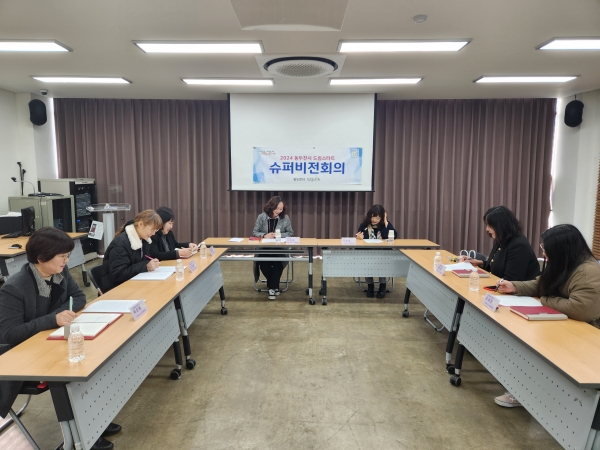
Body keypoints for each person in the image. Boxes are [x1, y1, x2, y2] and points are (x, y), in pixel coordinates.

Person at [0, 227, 121, 450]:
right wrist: (53, 319)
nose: (67, 260)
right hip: (22, 355)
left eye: (67, 255)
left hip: (50, 342)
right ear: (41, 258)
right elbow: (9, 334)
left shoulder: (59, 273)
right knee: (73, 371)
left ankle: (95, 421)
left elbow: (79, 296)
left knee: (93, 359)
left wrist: (59, 315)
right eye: (62, 256)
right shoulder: (14, 287)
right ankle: (84, 434)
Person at [495, 224, 600, 408]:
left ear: (562, 249)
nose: (544, 253)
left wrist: (545, 300)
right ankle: (524, 390)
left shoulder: (587, 271)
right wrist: (515, 286)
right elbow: (542, 283)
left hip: (585, 334)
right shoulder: (563, 262)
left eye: (546, 249)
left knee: (535, 348)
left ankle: (528, 393)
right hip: (563, 323)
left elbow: (580, 309)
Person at [459, 206, 540, 281]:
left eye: (490, 226)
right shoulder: (503, 239)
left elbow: (511, 281)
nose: (487, 229)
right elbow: (497, 266)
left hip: (514, 290)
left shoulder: (519, 246)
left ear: (501, 226)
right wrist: (480, 263)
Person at [100, 210, 162, 293]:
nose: (153, 233)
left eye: (155, 230)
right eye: (152, 229)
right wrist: (146, 266)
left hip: (134, 284)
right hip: (116, 289)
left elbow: (142, 261)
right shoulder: (121, 243)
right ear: (140, 224)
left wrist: (149, 264)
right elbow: (118, 274)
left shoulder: (144, 240)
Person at [252, 196, 294, 300]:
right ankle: (274, 286)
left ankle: (271, 288)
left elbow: (290, 233)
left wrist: (279, 235)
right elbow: (255, 232)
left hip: (280, 248)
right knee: (264, 264)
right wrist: (264, 235)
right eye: (277, 208)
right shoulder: (261, 217)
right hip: (264, 248)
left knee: (277, 264)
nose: (279, 211)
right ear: (271, 207)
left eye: (281, 209)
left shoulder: (285, 218)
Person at [356, 204, 398, 299]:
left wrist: (386, 222)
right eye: (373, 217)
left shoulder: (385, 225)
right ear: (369, 216)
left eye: (378, 218)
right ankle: (370, 286)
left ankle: (382, 287)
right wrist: (358, 238)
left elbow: (394, 235)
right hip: (367, 255)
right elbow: (358, 238)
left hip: (382, 255)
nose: (375, 220)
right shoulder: (364, 225)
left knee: (382, 263)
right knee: (367, 263)